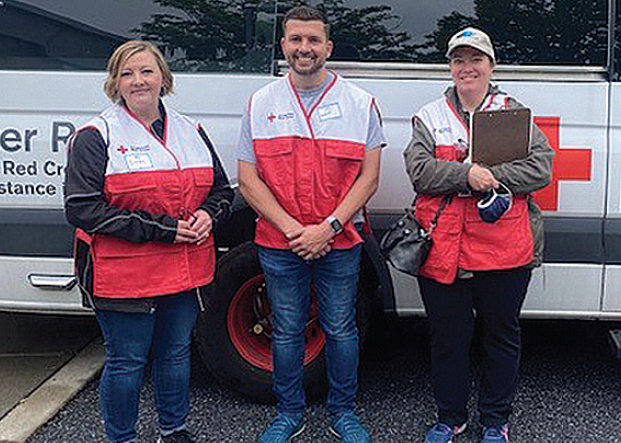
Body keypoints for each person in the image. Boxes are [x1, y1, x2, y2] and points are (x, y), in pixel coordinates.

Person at [64, 40, 233, 443]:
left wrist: (209, 215)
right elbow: (82, 209)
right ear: (115, 83)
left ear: (163, 78)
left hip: (185, 266)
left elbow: (223, 191)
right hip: (124, 272)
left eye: (146, 71)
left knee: (175, 355)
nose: (138, 80)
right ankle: (121, 438)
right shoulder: (95, 135)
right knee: (127, 361)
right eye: (127, 73)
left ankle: (173, 431)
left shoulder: (191, 129)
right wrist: (166, 229)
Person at [237, 5, 386, 443]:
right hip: (279, 242)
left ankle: (343, 412)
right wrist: (292, 230)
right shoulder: (261, 103)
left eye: (313, 40)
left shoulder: (359, 103)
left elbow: (370, 176)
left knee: (340, 328)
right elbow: (248, 178)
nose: (305, 48)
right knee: (286, 330)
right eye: (296, 39)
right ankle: (289, 413)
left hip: (339, 242)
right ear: (283, 45)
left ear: (328, 47)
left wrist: (329, 228)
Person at [403, 28, 554, 443]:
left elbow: (541, 168)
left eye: (475, 59)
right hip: (442, 249)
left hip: (504, 249)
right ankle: (450, 418)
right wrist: (467, 174)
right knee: (447, 340)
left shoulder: (513, 112)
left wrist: (489, 176)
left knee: (500, 338)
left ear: (491, 65)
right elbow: (419, 172)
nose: (466, 68)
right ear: (450, 67)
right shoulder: (430, 116)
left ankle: (495, 421)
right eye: (458, 60)